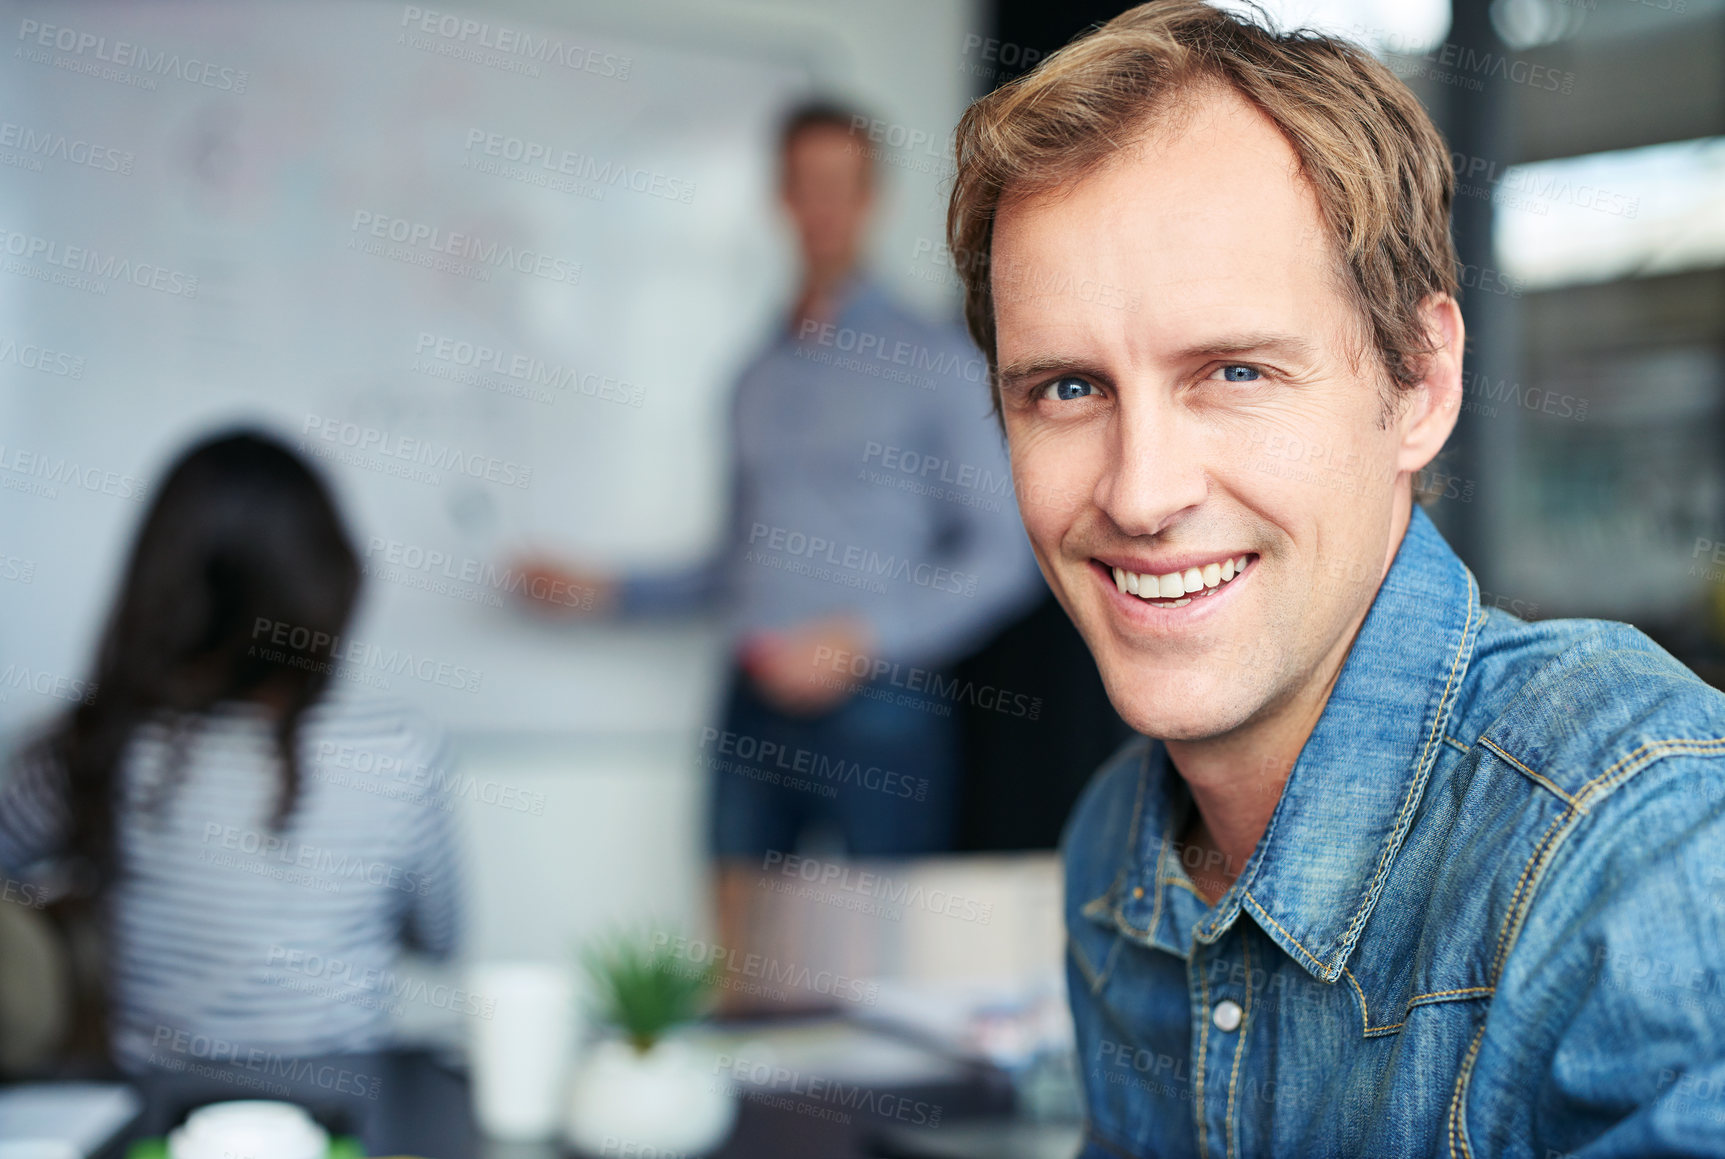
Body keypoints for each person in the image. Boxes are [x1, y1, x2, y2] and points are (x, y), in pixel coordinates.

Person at [946, 3, 1725, 1154]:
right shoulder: (1118, 844)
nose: (1140, 493)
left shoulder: (1641, 838)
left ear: (1418, 384)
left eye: (1236, 370)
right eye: (1068, 388)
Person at [524, 102, 1041, 867]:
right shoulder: (755, 374)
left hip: (882, 708)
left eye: (840, 184)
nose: (821, 206)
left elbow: (1005, 554)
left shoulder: (935, 360)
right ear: (780, 199)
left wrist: (862, 640)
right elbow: (741, 559)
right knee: (743, 955)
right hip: (750, 698)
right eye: (805, 184)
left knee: (884, 963)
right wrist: (608, 589)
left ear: (872, 199)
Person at [0, 431, 460, 1076]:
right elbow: (441, 941)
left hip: (155, 1115)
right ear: (328, 581)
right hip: (345, 1112)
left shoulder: (88, 741)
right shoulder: (400, 749)